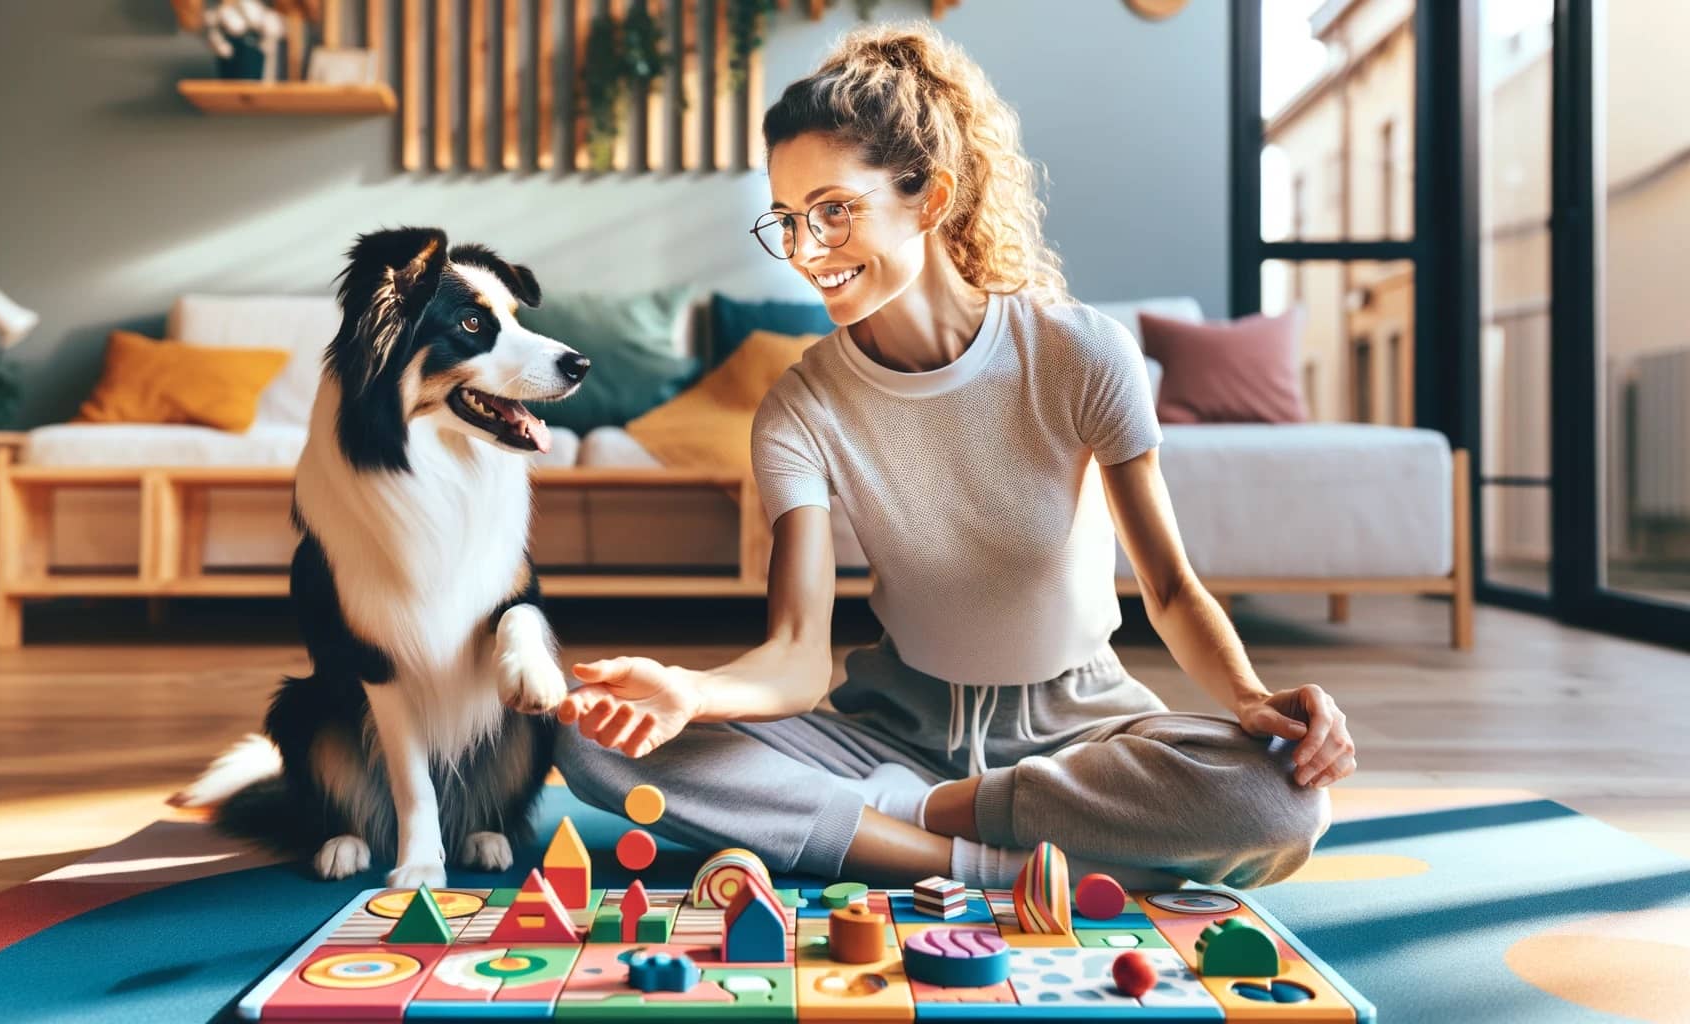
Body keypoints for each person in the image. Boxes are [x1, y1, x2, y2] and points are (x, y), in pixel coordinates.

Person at [553, 23, 1350, 890]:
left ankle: (926, 824)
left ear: (929, 200)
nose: (804, 251)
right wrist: (687, 692)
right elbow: (793, 654)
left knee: (1281, 802)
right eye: (786, 221)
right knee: (590, 740)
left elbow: (1168, 590)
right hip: (889, 733)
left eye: (833, 211)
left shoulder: (1080, 352)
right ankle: (990, 865)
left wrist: (1247, 699)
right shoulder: (800, 407)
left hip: (1075, 728)